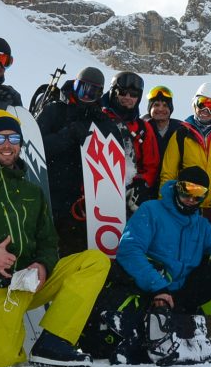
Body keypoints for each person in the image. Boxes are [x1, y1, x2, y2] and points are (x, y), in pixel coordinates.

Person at [0, 110, 110, 367]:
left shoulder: (31, 191)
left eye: (13, 138)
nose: (7, 145)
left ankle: (53, 342)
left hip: (30, 284)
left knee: (95, 261)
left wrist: (43, 265)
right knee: (2, 359)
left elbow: (49, 242)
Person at [114, 166, 211, 313]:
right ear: (177, 188)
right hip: (150, 289)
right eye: (186, 191)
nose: (191, 199)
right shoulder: (151, 210)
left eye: (198, 194)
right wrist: (157, 287)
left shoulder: (200, 225)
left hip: (182, 292)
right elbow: (128, 250)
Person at [36, 66, 125, 257]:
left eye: (92, 91)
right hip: (51, 194)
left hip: (84, 201)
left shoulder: (101, 120)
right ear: (73, 86)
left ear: (100, 94)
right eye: (81, 88)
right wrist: (67, 135)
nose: (86, 95)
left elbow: (116, 155)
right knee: (48, 248)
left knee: (74, 250)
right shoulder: (55, 111)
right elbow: (37, 145)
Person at [158, 82, 211, 222]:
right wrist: (165, 206)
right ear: (194, 103)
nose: (205, 110)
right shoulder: (182, 134)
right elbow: (168, 173)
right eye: (201, 103)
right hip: (187, 205)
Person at [101, 71, 160, 211]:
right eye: (122, 92)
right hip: (96, 189)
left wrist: (141, 183)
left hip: (129, 192)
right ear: (113, 92)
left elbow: (152, 165)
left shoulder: (143, 128)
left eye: (133, 94)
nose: (128, 97)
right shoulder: (97, 118)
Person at [143, 85, 183, 173]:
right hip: (146, 183)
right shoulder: (141, 129)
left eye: (165, 105)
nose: (161, 109)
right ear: (150, 108)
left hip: (172, 182)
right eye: (156, 105)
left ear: (170, 109)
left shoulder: (181, 130)